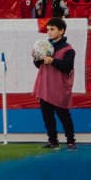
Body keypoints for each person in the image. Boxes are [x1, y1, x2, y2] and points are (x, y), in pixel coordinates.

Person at [32, 17, 77, 151]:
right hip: (45, 86)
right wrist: (37, 57)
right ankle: (53, 141)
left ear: (62, 31)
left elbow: (67, 66)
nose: (49, 32)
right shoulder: (45, 46)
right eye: (48, 30)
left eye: (52, 29)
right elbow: (38, 64)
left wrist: (52, 61)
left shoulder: (69, 49)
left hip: (59, 88)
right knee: (47, 116)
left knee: (64, 116)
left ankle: (71, 141)